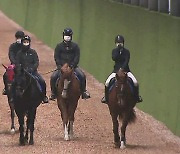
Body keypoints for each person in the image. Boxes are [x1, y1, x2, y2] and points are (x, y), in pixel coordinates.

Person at [49, 28, 90, 101]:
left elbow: (77, 57)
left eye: (68, 35)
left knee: (82, 75)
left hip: (73, 67)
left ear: (71, 36)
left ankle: (84, 91)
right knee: (53, 77)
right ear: (63, 35)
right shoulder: (59, 46)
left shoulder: (75, 46)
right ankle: (53, 93)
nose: (67, 37)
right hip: (62, 67)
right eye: (66, 35)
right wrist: (59, 66)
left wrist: (72, 65)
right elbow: (56, 57)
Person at [101, 35, 143, 103]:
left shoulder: (127, 52)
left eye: (120, 42)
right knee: (107, 82)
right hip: (116, 71)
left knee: (135, 82)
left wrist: (122, 68)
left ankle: (137, 97)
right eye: (118, 42)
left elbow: (126, 61)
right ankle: (106, 97)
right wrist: (118, 50)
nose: (119, 44)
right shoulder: (114, 51)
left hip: (126, 70)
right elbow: (114, 58)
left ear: (123, 43)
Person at [15, 35, 49, 103]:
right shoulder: (19, 53)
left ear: (29, 43)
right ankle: (13, 96)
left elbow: (36, 62)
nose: (26, 43)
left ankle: (43, 96)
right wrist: (21, 69)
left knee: (42, 81)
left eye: (27, 42)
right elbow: (17, 62)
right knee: (14, 81)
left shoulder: (33, 52)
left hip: (33, 72)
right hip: (22, 73)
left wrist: (32, 68)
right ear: (22, 43)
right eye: (24, 42)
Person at [2, 30, 24, 95]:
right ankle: (6, 88)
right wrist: (15, 63)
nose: (19, 39)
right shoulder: (12, 46)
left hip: (25, 66)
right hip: (15, 65)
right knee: (5, 75)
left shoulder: (25, 46)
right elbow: (11, 56)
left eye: (20, 37)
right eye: (18, 37)